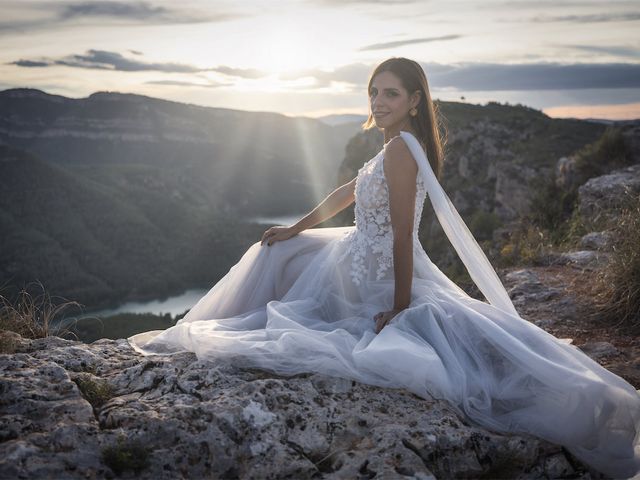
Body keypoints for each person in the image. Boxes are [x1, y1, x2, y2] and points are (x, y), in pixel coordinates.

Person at [128, 57, 640, 478]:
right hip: (352, 253)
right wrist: (296, 227)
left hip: (375, 271)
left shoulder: (402, 151)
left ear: (416, 101)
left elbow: (400, 234)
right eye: (374, 92)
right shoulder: (389, 145)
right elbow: (344, 194)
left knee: (301, 296)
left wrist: (397, 306)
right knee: (279, 250)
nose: (378, 101)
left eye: (391, 93)